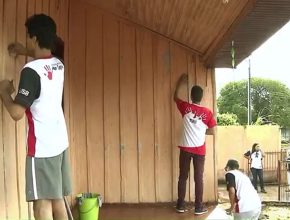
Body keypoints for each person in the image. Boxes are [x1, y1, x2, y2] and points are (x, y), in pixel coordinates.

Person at [0, 14, 71, 220]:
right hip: (59, 142)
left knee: (41, 205)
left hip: (41, 148)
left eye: (28, 37)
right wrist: (24, 50)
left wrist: (4, 92)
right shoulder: (59, 64)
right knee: (57, 198)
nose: (28, 41)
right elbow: (42, 58)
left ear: (34, 38)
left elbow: (16, 113)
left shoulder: (30, 71)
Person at [173, 73, 216, 215]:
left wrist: (180, 82)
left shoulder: (185, 107)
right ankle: (198, 207)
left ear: (191, 96)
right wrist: (200, 131)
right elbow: (212, 131)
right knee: (199, 179)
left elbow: (175, 97)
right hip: (199, 151)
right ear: (201, 97)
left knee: (182, 177)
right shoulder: (208, 113)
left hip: (185, 148)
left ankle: (180, 205)